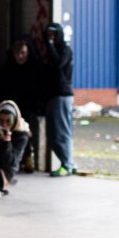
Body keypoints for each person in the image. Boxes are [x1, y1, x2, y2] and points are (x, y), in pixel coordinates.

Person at [0, 38, 43, 172]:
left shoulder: (34, 69)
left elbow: (38, 90)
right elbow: (0, 90)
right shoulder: (7, 69)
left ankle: (27, 159)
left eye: (23, 53)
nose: (20, 56)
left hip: (28, 109)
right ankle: (12, 161)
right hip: (11, 109)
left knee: (26, 135)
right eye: (17, 53)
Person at [42, 23, 77, 177]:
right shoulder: (49, 52)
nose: (51, 37)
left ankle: (67, 165)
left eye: (53, 34)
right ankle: (69, 163)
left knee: (61, 132)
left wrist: (50, 45)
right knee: (53, 133)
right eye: (48, 34)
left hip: (62, 95)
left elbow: (58, 65)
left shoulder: (65, 50)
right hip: (53, 96)